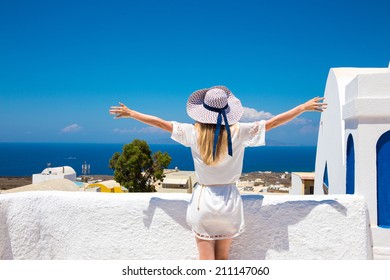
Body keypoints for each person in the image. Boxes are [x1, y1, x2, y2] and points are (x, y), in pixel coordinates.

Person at [109, 85, 327, 260]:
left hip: (204, 203)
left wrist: (131, 113)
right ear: (227, 109)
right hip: (230, 203)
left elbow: (160, 123)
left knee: (206, 263)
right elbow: (273, 122)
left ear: (202, 110)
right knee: (223, 260)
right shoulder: (239, 132)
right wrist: (301, 107)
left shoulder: (192, 133)